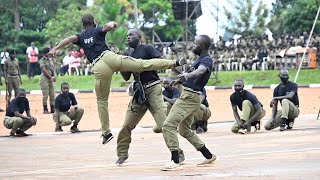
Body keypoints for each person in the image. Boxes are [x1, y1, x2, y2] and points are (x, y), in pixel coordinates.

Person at [48, 14, 184, 145]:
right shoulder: (97, 29)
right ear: (93, 22)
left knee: (102, 101)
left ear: (83, 25)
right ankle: (174, 63)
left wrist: (55, 49)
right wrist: (113, 24)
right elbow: (108, 26)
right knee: (142, 64)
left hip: (99, 67)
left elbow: (69, 39)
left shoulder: (80, 36)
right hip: (109, 57)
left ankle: (106, 132)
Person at [116, 29, 185, 165]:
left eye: (131, 35)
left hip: (153, 88)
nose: (128, 37)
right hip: (139, 92)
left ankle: (178, 154)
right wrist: (120, 63)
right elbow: (126, 76)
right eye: (127, 35)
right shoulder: (128, 53)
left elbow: (160, 62)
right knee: (127, 125)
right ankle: (122, 154)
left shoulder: (147, 48)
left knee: (163, 124)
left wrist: (143, 66)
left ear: (139, 37)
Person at [161, 35, 218, 171]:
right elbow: (194, 76)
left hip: (189, 97)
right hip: (192, 95)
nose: (193, 46)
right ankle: (208, 155)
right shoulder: (200, 59)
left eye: (195, 44)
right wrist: (180, 80)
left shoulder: (206, 60)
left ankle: (175, 160)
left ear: (202, 46)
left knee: (168, 125)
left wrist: (187, 75)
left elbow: (201, 71)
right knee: (184, 130)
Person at [39, 48, 56, 114]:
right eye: (48, 52)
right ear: (44, 54)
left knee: (52, 94)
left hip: (51, 78)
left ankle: (52, 108)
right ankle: (45, 109)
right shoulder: (42, 60)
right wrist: (50, 77)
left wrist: (54, 76)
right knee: (45, 95)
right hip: (44, 79)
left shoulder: (51, 60)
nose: (50, 53)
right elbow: (44, 70)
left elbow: (53, 68)